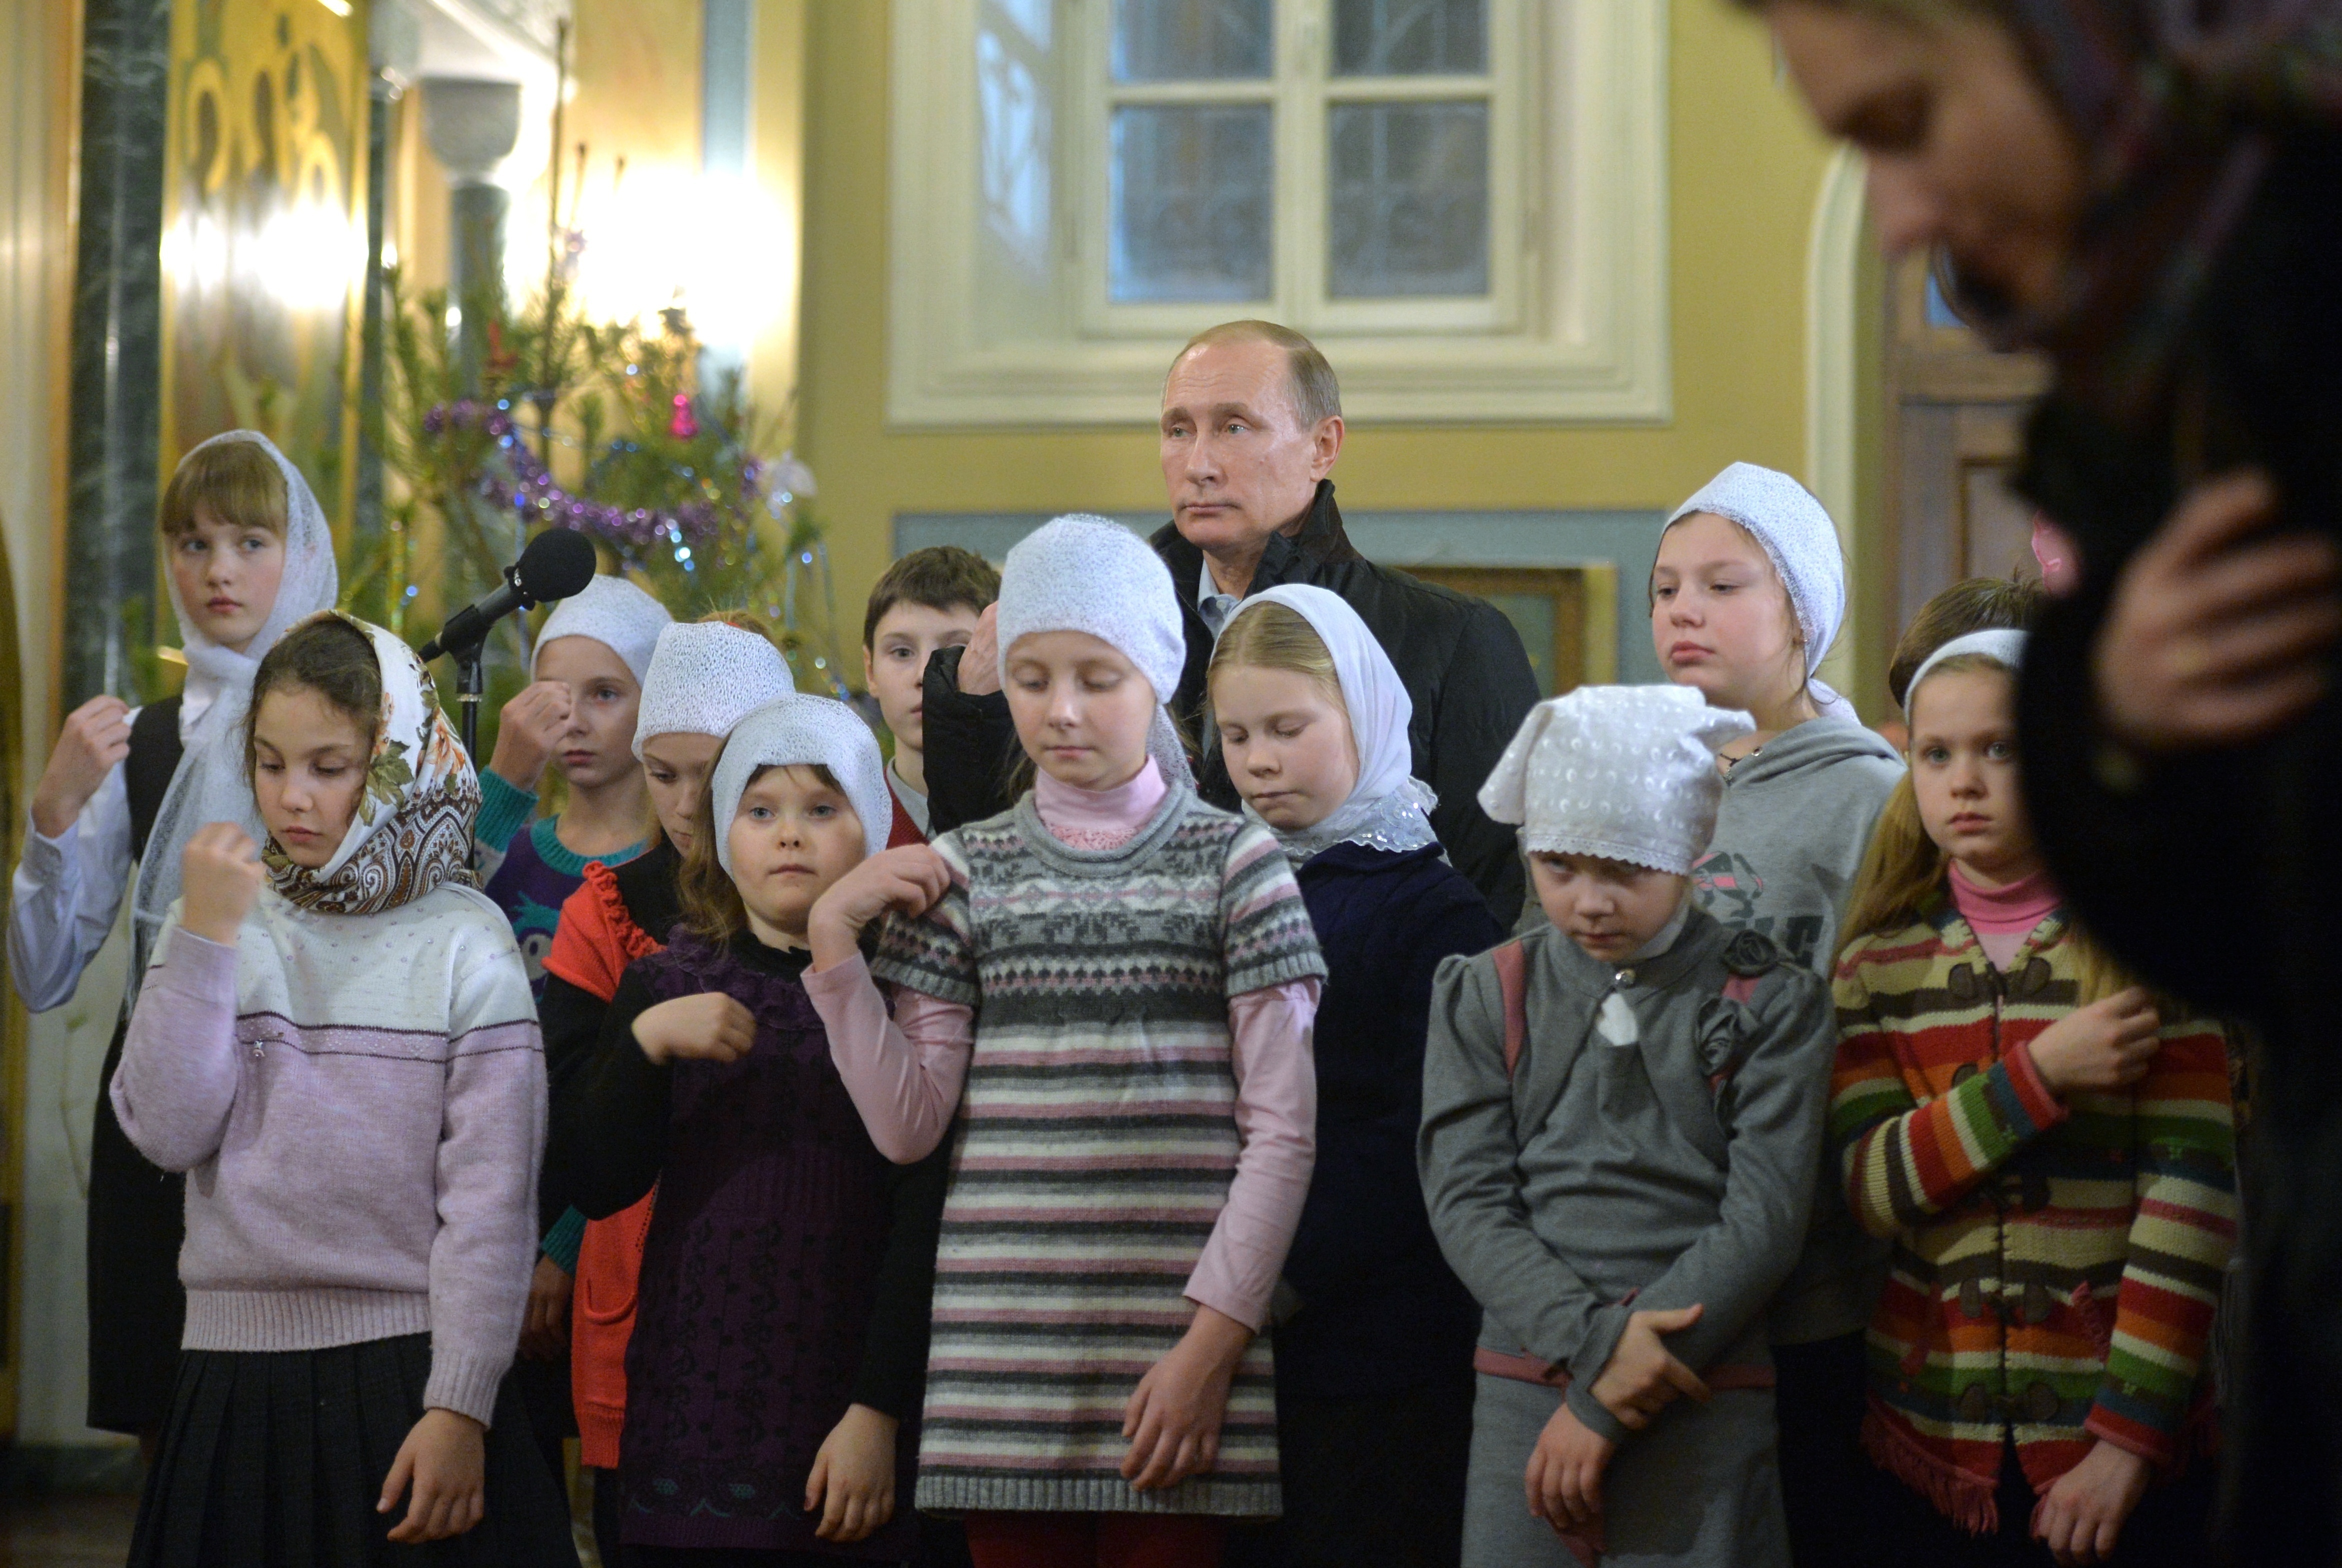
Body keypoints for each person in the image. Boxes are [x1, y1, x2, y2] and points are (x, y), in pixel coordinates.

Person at [1750, 1, 2340, 1553]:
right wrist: (2124, 723)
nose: (1899, 219)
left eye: (1902, 124)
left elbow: (2191, 1155)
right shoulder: (2146, 383)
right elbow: (2254, 948)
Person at [805, 515, 1325, 1568]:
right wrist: (833, 941)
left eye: (1099, 676)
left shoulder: (1237, 866)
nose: (1063, 709)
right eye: (1033, 678)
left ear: (1159, 676)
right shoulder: (964, 871)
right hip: (1003, 1366)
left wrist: (1213, 1345)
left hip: (1176, 1364)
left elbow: (1282, 1135)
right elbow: (910, 1129)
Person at [112, 612, 573, 1565]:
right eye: (271, 764)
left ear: (394, 757)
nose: (293, 798)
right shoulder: (224, 914)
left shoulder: (465, 938)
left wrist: (460, 1404)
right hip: (231, 1376)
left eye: (329, 767)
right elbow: (163, 1130)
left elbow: (489, 1205)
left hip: (407, 1375)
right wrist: (201, 939)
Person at [1830, 630, 2236, 1565]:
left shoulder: (2149, 946)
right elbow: (1871, 1189)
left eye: (1998, 749)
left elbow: (2190, 1206)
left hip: (2117, 1443)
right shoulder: (1875, 967)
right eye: (1935, 754)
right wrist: (2035, 1079)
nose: (1961, 781)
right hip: (1927, 1438)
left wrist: (2124, 1444)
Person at [919, 321, 1540, 924]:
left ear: (1322, 446)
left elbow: (1494, 907)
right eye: (1178, 430)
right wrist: (976, 708)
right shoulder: (1096, 633)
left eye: (1235, 427)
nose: (1199, 464)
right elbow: (988, 871)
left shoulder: (1453, 639)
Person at [1420, 684, 1836, 1568]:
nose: (1589, 902)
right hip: (1528, 1377)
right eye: (1559, 867)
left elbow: (1761, 1220)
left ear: (1689, 849)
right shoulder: (1487, 992)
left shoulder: (1770, 1001)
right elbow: (1465, 1200)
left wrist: (1606, 1400)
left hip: (1699, 1379)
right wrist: (1596, 1347)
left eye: (1623, 871)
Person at [560, 693, 951, 1565]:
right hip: (692, 1401)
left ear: (874, 828)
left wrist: (876, 1411)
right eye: (760, 810)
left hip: (847, 1405)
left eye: (822, 809)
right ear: (722, 835)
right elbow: (595, 1180)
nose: (789, 836)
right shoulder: (667, 986)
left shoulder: (906, 990)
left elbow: (923, 1216)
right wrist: (644, 1048)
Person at [7, 430, 338, 1439]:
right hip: (159, 1099)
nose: (219, 571)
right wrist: (55, 814)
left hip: (307, 1098)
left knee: (303, 1421)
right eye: (192, 545)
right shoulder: (141, 738)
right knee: (174, 1415)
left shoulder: (358, 721)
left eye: (248, 540)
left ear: (299, 550)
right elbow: (43, 976)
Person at [1206, 585, 1501, 1568]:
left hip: (1373, 1352)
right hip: (1230, 1336)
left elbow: (1418, 1139)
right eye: (1237, 733)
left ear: (1364, 713)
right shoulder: (1230, 882)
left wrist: (1270, 1276)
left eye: (1288, 727)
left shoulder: (1437, 915)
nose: (1257, 759)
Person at [1648, 460, 1905, 1562]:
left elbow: (1875, 1017)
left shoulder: (1868, 793)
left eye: (1722, 584)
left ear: (1799, 608)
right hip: (1643, 1234)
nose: (1682, 611)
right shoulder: (1638, 764)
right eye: (1663, 587)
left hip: (1806, 1271)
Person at [534, 615, 796, 1568]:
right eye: (664, 772)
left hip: (789, 1311)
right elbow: (570, 1133)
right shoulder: (602, 912)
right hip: (637, 1313)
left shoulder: (821, 905)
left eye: (714, 771)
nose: (687, 805)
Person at [479, 571, 673, 993]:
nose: (574, 722)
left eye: (604, 693)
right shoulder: (504, 856)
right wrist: (502, 786)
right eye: (554, 695)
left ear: (656, 701)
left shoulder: (677, 870)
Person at [862, 547, 1001, 847]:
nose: (925, 676)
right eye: (902, 653)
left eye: (955, 652)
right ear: (871, 671)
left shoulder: (1036, 827)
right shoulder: (848, 831)